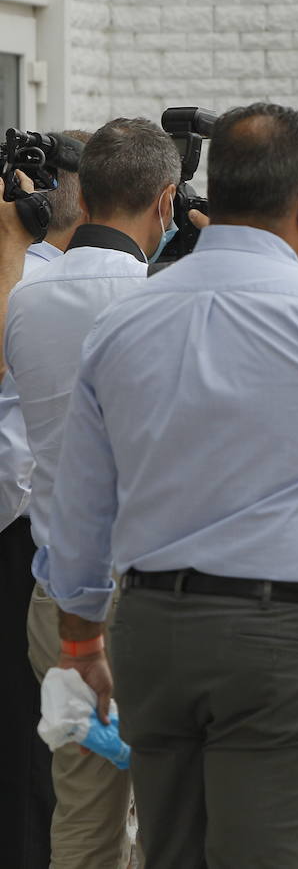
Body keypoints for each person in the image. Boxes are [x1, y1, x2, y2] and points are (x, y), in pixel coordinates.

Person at [33, 102, 298, 868]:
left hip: (155, 627)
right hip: (280, 637)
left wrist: (80, 636)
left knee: (173, 853)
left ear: (207, 193)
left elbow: (81, 502)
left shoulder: (127, 321)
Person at [7, 118, 179, 869]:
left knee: (80, 809)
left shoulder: (24, 302)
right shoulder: (168, 302)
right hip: (156, 593)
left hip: (58, 592)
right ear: (165, 202)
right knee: (173, 807)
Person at [0, 127, 88, 869]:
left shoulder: (56, 282)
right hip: (25, 526)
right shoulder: (20, 272)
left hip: (34, 529)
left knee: (35, 741)